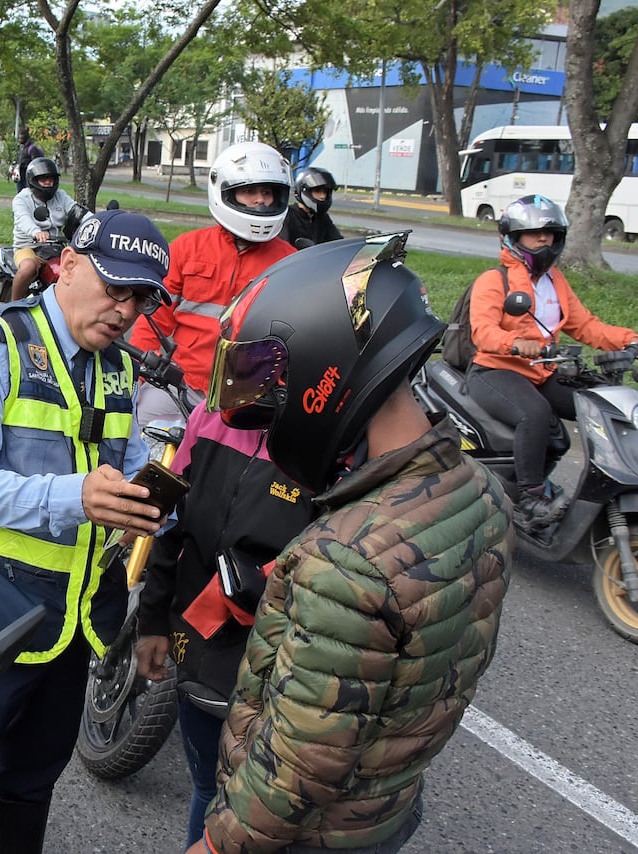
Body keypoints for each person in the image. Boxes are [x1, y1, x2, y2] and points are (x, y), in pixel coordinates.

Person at [184, 234, 513, 854]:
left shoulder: (347, 556)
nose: (271, 417)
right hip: (386, 803)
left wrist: (219, 843)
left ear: (325, 371)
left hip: (309, 835)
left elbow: (299, 762)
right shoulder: (479, 489)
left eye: (277, 391)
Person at [0, 209, 173, 854]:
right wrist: (77, 496)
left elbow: (129, 463)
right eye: (115, 288)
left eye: (140, 298)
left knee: (29, 786)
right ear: (67, 265)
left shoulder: (118, 368)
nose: (126, 310)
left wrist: (155, 499)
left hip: (72, 624)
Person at [135, 403, 315, 848]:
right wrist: (152, 619)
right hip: (197, 655)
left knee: (259, 809)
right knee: (208, 788)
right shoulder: (210, 416)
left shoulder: (332, 445)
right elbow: (169, 523)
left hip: (281, 669)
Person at [467, 194, 638, 532]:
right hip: (494, 370)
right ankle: (530, 498)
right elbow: (482, 332)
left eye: (550, 233)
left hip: (541, 371)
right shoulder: (494, 280)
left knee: (601, 402)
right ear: (514, 237)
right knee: (534, 413)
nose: (543, 239)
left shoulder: (554, 280)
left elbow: (585, 325)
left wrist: (629, 339)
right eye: (534, 233)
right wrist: (516, 343)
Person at [129, 140, 295, 425]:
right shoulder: (188, 247)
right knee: (136, 434)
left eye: (267, 192)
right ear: (226, 193)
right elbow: (154, 318)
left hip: (249, 397)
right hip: (181, 383)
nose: (260, 200)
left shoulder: (290, 262)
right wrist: (136, 374)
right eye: (249, 191)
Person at [10, 156, 75, 301]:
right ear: (33, 180)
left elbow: (76, 211)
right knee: (28, 268)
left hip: (56, 247)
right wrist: (36, 232)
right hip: (28, 247)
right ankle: (13, 305)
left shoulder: (61, 196)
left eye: (51, 178)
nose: (48, 182)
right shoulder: (21, 199)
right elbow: (23, 219)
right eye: (43, 179)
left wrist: (97, 223)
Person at [279, 166, 343, 248]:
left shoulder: (323, 218)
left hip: (319, 256)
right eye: (318, 191)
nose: (323, 196)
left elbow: (337, 243)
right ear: (304, 191)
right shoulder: (288, 216)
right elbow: (282, 247)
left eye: (325, 192)